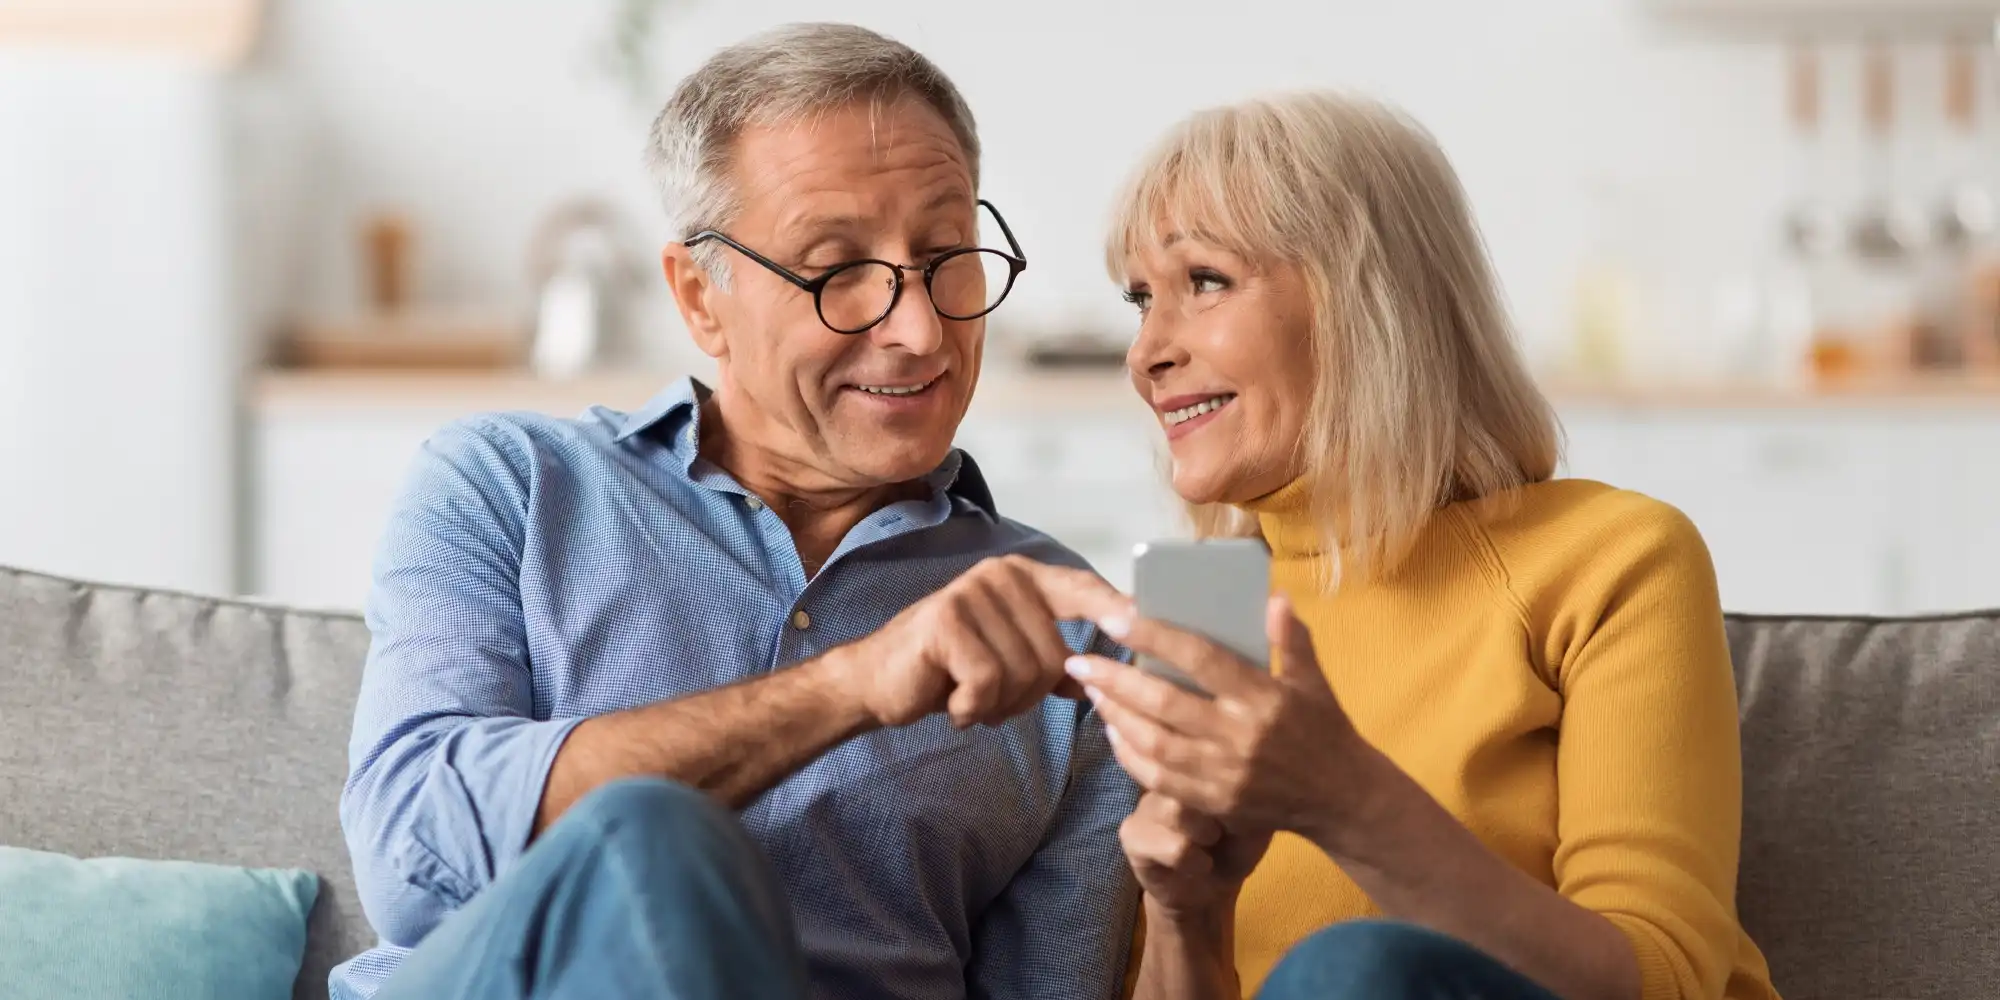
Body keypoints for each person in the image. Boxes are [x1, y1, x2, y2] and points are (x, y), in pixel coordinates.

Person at [332, 23, 1141, 1000]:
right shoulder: (509, 484)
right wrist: (851, 684)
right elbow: (413, 857)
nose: (919, 329)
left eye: (944, 254)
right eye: (837, 268)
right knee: (644, 834)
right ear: (699, 297)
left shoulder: (1067, 629)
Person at [1065, 93, 1784, 1000]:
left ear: (1366, 297)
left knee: (1354, 969)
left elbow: (1666, 979)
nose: (1146, 353)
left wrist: (1349, 804)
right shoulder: (1202, 608)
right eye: (1140, 301)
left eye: (1204, 281)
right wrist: (1186, 918)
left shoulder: (1611, 558)